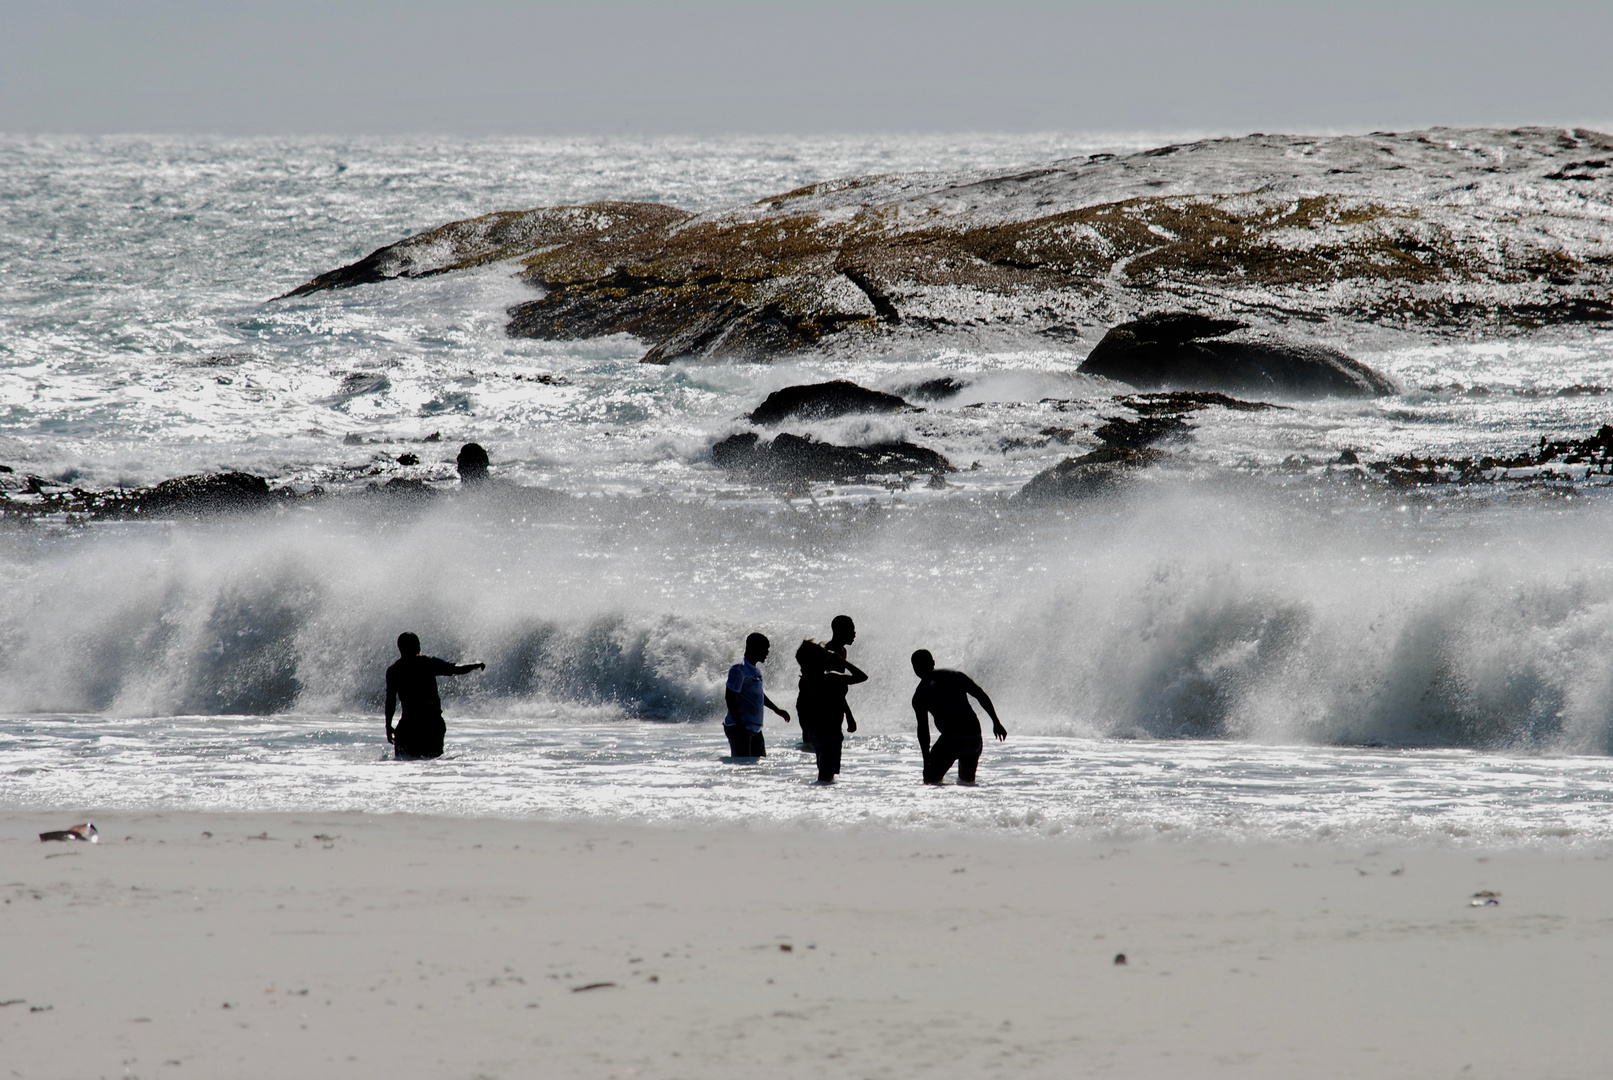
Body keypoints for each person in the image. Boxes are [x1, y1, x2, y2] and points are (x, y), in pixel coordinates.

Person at [910, 649, 1007, 785]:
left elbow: (923, 731)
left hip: (951, 739)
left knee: (930, 781)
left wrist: (927, 762)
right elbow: (981, 695)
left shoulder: (920, 693)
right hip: (973, 738)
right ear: (933, 663)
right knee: (967, 783)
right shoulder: (956, 676)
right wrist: (996, 722)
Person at [384, 632, 485, 760]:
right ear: (415, 646)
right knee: (432, 764)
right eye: (418, 644)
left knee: (403, 763)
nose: (420, 647)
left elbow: (390, 700)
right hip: (431, 724)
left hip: (409, 725)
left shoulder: (394, 670)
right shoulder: (428, 663)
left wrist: (388, 725)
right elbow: (456, 669)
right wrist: (475, 665)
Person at [795, 639, 867, 784]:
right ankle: (821, 802)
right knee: (826, 778)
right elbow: (862, 677)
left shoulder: (807, 681)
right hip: (830, 732)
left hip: (815, 732)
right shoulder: (832, 678)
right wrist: (842, 661)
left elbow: (801, 707)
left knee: (824, 772)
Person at [724, 632, 791, 759]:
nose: (767, 652)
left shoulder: (755, 669)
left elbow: (758, 695)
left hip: (754, 728)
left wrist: (777, 710)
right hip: (740, 728)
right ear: (753, 648)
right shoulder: (739, 668)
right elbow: (730, 697)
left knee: (758, 768)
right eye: (765, 649)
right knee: (742, 768)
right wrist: (740, 726)